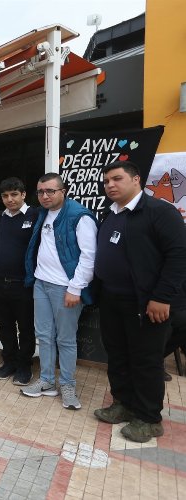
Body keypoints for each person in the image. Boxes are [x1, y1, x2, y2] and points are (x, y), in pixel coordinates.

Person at [92, 161, 186, 443]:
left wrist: (161, 297)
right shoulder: (109, 214)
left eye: (117, 179)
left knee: (145, 361)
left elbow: (179, 256)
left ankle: (148, 418)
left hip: (146, 303)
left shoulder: (159, 212)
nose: (110, 185)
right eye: (107, 181)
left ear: (136, 180)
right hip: (111, 299)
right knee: (118, 355)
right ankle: (123, 403)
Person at [21, 173, 97, 410]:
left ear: (63, 191)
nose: (44, 196)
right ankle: (46, 381)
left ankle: (67, 385)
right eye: (41, 191)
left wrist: (75, 288)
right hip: (41, 283)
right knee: (43, 335)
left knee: (65, 339)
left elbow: (89, 256)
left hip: (66, 287)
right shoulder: (43, 213)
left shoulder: (79, 216)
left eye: (50, 191)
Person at [0, 178, 39, 386]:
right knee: (4, 326)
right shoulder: (0, 217)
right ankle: (9, 362)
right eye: (5, 196)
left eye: (14, 194)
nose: (10, 199)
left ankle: (24, 366)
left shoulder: (35, 215)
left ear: (23, 194)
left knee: (25, 327)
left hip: (23, 284)